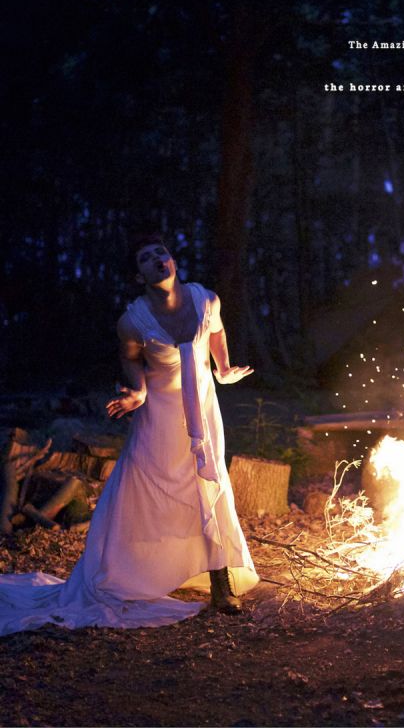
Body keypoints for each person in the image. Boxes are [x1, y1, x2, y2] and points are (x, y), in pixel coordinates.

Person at [0, 235, 259, 635]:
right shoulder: (133, 321)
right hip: (160, 417)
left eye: (161, 253)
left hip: (203, 414)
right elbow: (131, 358)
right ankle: (138, 572)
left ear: (173, 261)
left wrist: (222, 369)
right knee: (147, 490)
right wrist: (138, 392)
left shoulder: (206, 299)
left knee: (209, 485)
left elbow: (216, 332)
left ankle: (220, 584)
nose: (158, 260)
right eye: (146, 259)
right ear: (139, 276)